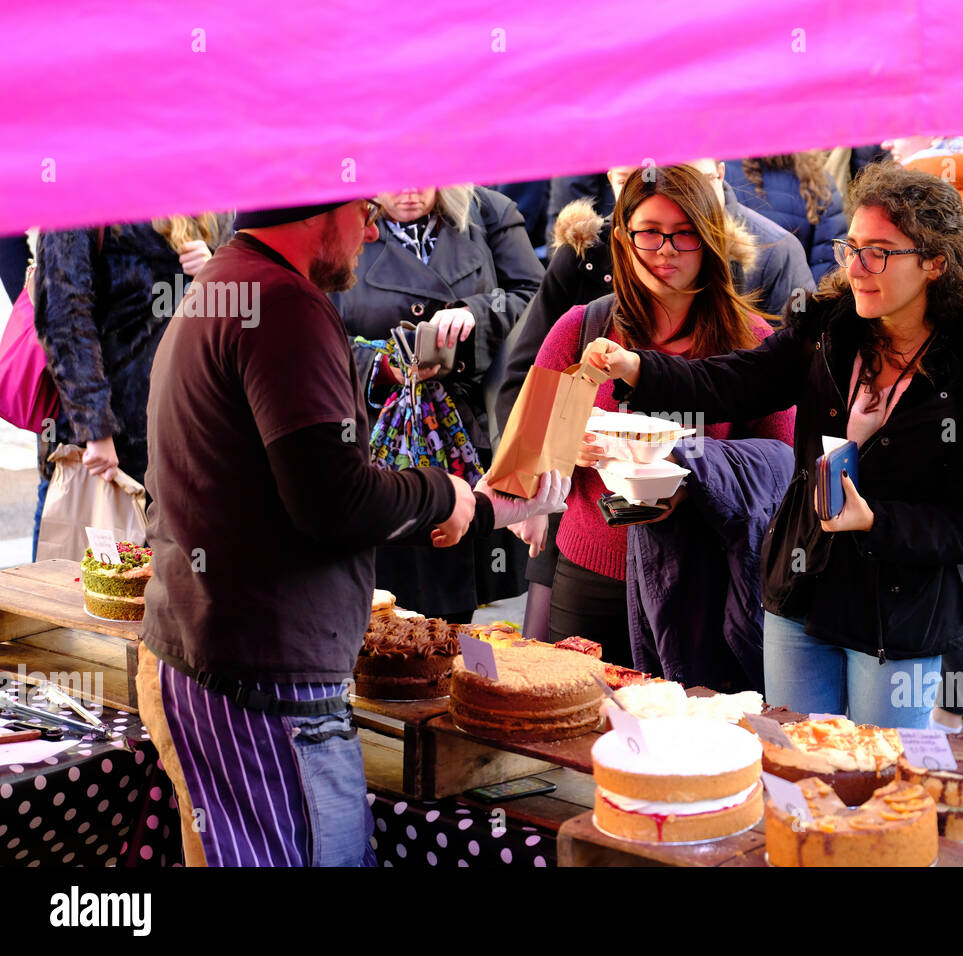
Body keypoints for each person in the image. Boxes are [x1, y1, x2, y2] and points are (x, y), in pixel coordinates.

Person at [136, 199, 567, 866]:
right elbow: (332, 500)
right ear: (321, 207)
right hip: (264, 687)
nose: (372, 231)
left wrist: (372, 370)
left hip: (215, 658)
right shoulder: (285, 305)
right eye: (363, 210)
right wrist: (443, 492)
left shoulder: (229, 281)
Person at [583, 162, 963, 727]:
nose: (856, 267)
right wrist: (639, 368)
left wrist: (877, 522)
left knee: (878, 780)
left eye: (879, 251)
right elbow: (733, 380)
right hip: (801, 594)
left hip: (896, 617)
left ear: (934, 263)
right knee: (795, 766)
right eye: (852, 246)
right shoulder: (830, 329)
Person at [495, 158, 812, 641]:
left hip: (706, 581)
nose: (666, 251)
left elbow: (781, 468)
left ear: (710, 239)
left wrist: (693, 478)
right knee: (580, 712)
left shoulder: (752, 339)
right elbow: (522, 457)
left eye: (684, 233)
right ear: (622, 237)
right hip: (590, 574)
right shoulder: (582, 327)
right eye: (649, 232)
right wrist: (568, 448)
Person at [332, 185, 544, 621]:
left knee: (467, 613)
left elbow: (536, 298)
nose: (409, 190)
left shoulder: (488, 212)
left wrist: (476, 313)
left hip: (471, 429)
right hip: (382, 440)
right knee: (391, 606)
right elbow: (317, 331)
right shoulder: (346, 224)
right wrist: (385, 367)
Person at [31, 213, 231, 557]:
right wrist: (96, 429)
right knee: (87, 582)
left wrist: (215, 271)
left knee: (166, 587)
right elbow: (65, 318)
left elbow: (232, 316)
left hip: (186, 434)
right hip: (110, 438)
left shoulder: (204, 188)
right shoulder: (81, 187)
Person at [724, 151, 848, 282]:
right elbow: (827, 262)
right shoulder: (819, 180)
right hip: (795, 293)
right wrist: (805, 300)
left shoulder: (723, 172)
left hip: (736, 294)